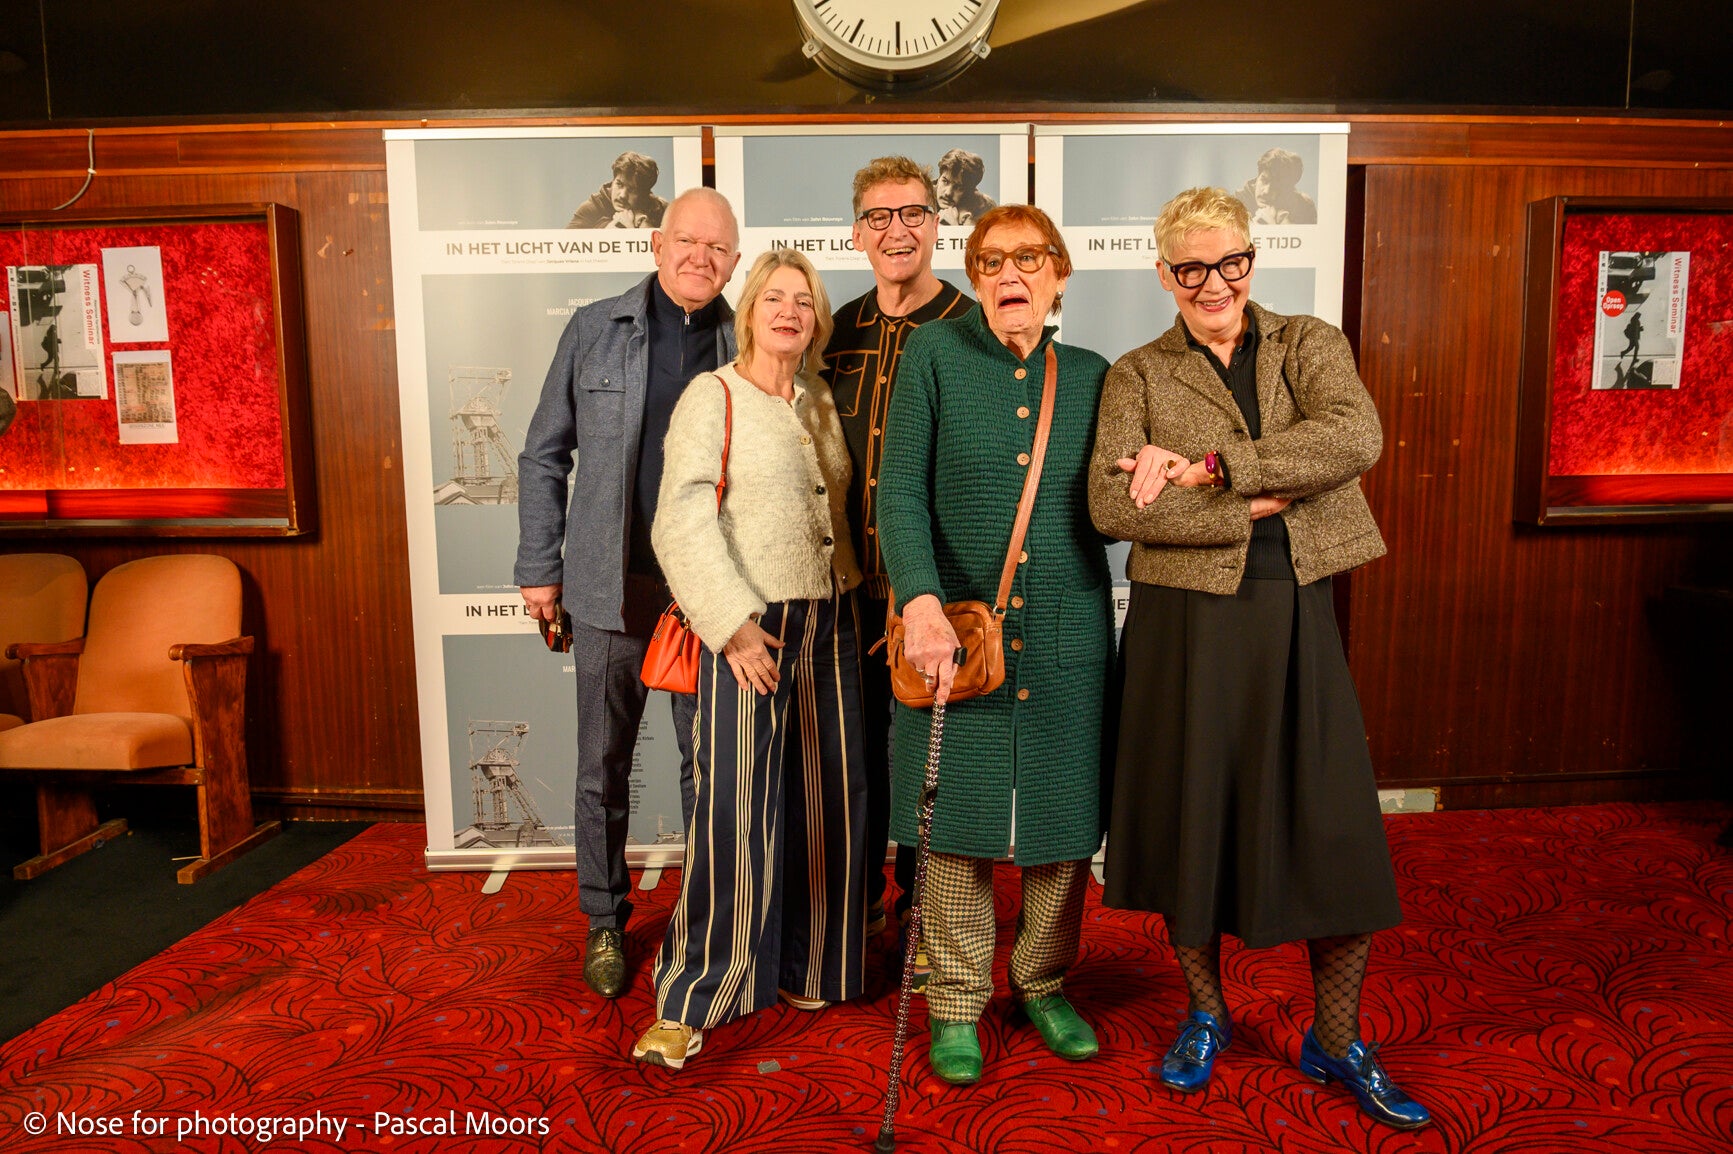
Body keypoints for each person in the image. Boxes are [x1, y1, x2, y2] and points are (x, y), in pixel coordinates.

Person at [1089, 186, 1431, 1130]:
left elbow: (1352, 436)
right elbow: (1112, 508)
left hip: (1294, 608)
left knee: (1330, 827)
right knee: (1191, 820)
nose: (1214, 283)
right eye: (1191, 267)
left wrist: (1208, 470)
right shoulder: (1135, 373)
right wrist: (1258, 504)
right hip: (1182, 625)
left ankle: (1337, 1036)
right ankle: (1205, 1014)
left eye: (1229, 262)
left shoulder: (1307, 342)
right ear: (1164, 274)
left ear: (1250, 258)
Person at [876, 204, 1113, 1087]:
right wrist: (920, 603)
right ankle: (954, 1001)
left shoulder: (1091, 375)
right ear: (974, 279)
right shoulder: (933, 354)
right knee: (954, 825)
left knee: (1061, 819)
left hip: (1065, 631)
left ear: (1059, 273)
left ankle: (1043, 982)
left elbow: (1111, 504)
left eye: (1029, 258)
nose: (1010, 274)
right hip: (954, 634)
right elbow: (899, 489)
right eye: (990, 261)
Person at [633, 249, 867, 1070]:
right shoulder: (713, 395)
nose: (789, 312)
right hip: (749, 628)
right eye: (774, 297)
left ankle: (815, 966)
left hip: (832, 624)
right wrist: (730, 624)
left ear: (817, 320)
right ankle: (695, 994)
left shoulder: (819, 400)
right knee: (733, 811)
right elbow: (679, 519)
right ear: (748, 312)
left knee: (832, 803)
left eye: (804, 301)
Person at [516, 187, 742, 1000]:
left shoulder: (748, 339)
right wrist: (539, 566)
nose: (699, 258)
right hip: (608, 590)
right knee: (600, 766)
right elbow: (543, 454)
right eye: (687, 241)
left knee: (707, 770)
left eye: (716, 248)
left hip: (706, 596)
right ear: (656, 243)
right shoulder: (593, 329)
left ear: (734, 262)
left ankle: (706, 918)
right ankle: (605, 919)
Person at [821, 155, 972, 970]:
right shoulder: (833, 330)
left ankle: (922, 908)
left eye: (912, 213)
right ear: (857, 233)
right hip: (846, 587)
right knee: (855, 755)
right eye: (878, 217)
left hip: (931, 589)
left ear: (936, 225)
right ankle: (862, 902)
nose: (896, 230)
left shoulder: (970, 327)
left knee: (926, 754)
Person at [567, 151, 669, 229]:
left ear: (643, 194)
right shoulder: (591, 209)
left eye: (632, 190)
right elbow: (565, 245)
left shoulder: (661, 209)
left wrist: (634, 230)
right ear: (613, 181)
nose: (622, 195)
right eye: (619, 184)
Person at [1232, 147, 1318, 225]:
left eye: (1275, 187)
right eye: (1264, 180)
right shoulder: (1237, 203)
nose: (1266, 191)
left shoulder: (1304, 207)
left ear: (1286, 189)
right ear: (1258, 177)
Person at [935, 149, 997, 227]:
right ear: (939, 178)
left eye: (958, 187)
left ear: (968, 192)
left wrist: (955, 227)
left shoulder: (984, 208)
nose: (948, 193)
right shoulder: (924, 195)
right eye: (945, 181)